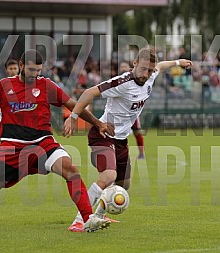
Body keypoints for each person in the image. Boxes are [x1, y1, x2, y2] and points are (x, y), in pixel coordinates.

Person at [0, 49, 114, 233]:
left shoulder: (47, 86)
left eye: (38, 70)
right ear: (21, 66)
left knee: (71, 170)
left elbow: (74, 105)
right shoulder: (4, 86)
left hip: (43, 143)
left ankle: (88, 218)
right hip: (12, 149)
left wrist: (97, 123)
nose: (35, 74)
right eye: (32, 70)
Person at [63, 48, 192, 232]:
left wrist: (179, 62)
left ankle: (99, 215)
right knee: (109, 176)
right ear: (135, 64)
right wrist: (73, 117)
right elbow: (88, 93)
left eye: (150, 70)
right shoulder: (121, 82)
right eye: (144, 69)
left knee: (124, 185)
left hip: (121, 140)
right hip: (103, 135)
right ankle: (80, 220)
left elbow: (162, 66)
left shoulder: (151, 75)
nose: (147, 74)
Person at [119, 61, 145, 159]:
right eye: (121, 66)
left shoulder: (135, 79)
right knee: (117, 133)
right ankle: (120, 153)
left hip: (132, 112)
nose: (123, 68)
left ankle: (141, 153)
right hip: (120, 112)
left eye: (125, 66)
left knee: (137, 132)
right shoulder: (118, 80)